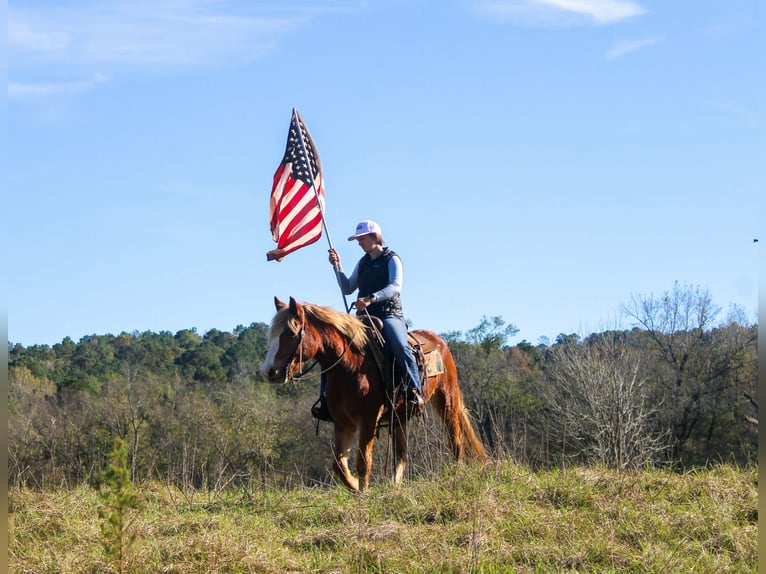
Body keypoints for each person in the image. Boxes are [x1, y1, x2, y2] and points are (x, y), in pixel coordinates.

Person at [312, 219, 424, 421]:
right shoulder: (363, 263)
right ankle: (327, 399)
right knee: (330, 347)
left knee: (399, 345)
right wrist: (337, 266)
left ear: (374, 237)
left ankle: (414, 391)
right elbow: (347, 288)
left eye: (362, 239)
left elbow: (395, 287)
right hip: (362, 318)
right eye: (358, 240)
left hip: (389, 314)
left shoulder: (392, 259)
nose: (359, 243)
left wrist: (371, 298)